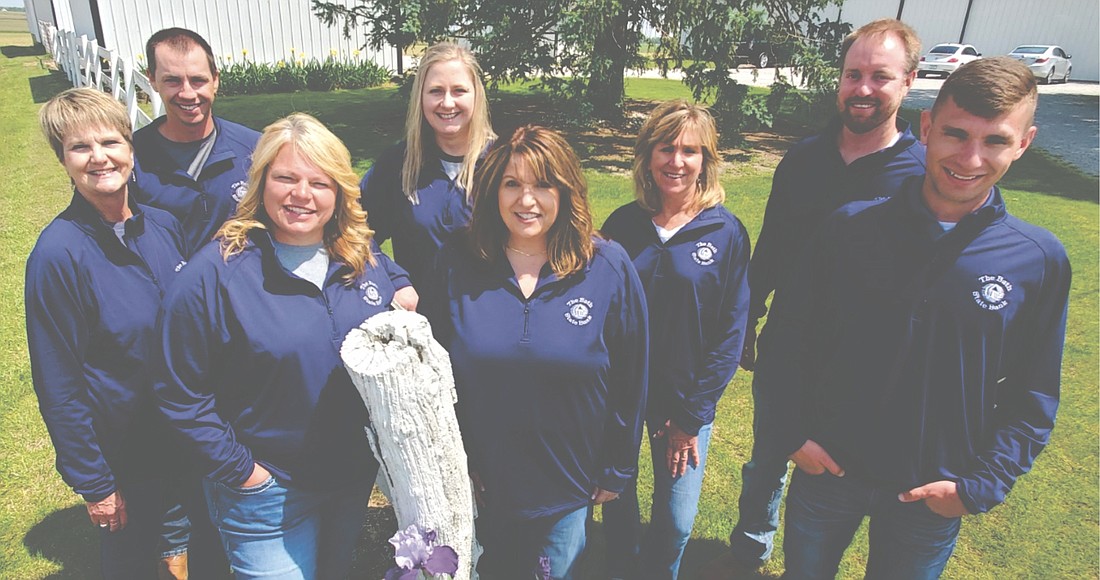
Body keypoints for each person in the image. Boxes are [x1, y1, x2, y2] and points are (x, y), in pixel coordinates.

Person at [776, 56, 1070, 578]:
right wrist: (792, 431)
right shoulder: (849, 230)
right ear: (927, 127)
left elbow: (1034, 393)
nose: (971, 157)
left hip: (932, 493)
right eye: (956, 133)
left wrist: (979, 487)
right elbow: (790, 339)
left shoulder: (1037, 260)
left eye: (996, 141)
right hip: (828, 471)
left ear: (1024, 143)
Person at [706, 19, 927, 576]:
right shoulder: (804, 159)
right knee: (765, 463)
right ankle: (749, 551)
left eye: (881, 76)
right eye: (854, 74)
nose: (863, 89)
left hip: (865, 362)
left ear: (909, 81)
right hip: (789, 347)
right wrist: (747, 320)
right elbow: (772, 248)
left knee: (835, 472)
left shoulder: (920, 174)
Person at [155, 113, 413, 579]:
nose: (302, 195)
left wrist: (402, 283)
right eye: (286, 178)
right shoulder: (215, 273)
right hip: (265, 489)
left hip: (349, 477)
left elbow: (389, 280)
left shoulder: (360, 255)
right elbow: (179, 392)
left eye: (319, 182)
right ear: (260, 183)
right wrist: (244, 472)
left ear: (339, 193)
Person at [423, 126, 648, 579]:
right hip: (483, 483)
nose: (527, 200)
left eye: (543, 184)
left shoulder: (606, 265)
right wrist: (457, 459)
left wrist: (617, 464)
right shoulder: (458, 262)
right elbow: (432, 373)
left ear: (565, 191)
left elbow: (631, 375)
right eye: (512, 184)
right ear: (492, 191)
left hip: (567, 485)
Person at [26, 87, 188, 578]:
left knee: (191, 551)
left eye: (111, 142)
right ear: (63, 161)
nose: (100, 157)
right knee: (139, 565)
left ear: (131, 148)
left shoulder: (163, 227)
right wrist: (94, 483)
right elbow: (58, 382)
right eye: (80, 147)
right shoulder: (58, 256)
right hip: (129, 452)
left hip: (188, 438)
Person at [601, 101, 750, 579]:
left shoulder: (725, 232)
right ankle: (621, 567)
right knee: (614, 498)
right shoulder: (622, 226)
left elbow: (731, 332)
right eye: (666, 148)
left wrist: (692, 416)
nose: (677, 161)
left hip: (683, 403)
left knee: (675, 519)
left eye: (690, 150)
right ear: (647, 156)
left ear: (706, 159)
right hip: (622, 395)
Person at [359, 42, 496, 292]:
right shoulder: (397, 164)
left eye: (459, 90)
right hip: (420, 323)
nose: (447, 102)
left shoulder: (504, 164)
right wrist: (393, 278)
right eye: (435, 91)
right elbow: (352, 230)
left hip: (492, 324)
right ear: (420, 97)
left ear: (476, 94)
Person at [132, 27, 261, 256]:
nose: (188, 93)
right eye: (172, 81)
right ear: (152, 79)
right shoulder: (131, 159)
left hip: (238, 287)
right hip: (165, 290)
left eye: (198, 80)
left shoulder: (256, 149)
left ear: (215, 80)